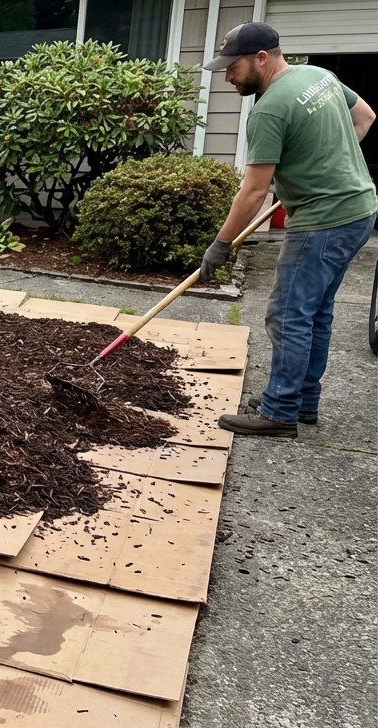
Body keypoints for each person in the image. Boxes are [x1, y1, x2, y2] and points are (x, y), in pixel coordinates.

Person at [199, 22, 376, 437]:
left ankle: (279, 411)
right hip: (361, 209)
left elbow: (253, 190)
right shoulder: (318, 76)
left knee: (288, 314)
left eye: (232, 67)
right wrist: (327, 162)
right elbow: (366, 116)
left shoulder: (270, 109)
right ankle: (301, 402)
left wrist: (221, 244)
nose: (227, 77)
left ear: (262, 57)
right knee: (316, 312)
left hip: (323, 222)